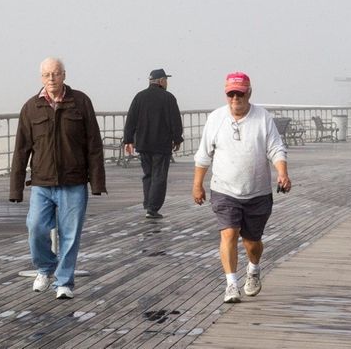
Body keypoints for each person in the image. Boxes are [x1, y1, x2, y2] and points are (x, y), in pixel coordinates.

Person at [10, 57, 106, 300]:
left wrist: (97, 183)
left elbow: (94, 143)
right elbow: (21, 150)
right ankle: (45, 268)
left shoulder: (80, 102)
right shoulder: (31, 107)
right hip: (42, 183)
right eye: (46, 75)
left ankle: (64, 282)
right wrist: (16, 188)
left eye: (55, 74)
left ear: (64, 75)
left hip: (73, 182)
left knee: (70, 235)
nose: (51, 79)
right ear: (41, 78)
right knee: (35, 227)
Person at [192, 71, 291, 303]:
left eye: (240, 94)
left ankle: (254, 270)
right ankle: (231, 284)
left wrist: (283, 173)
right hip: (224, 189)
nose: (235, 98)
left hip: (257, 192)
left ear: (249, 93)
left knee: (252, 242)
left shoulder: (263, 118)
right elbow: (204, 154)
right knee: (228, 233)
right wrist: (197, 185)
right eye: (231, 94)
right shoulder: (216, 118)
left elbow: (276, 148)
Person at [123, 68, 184, 219]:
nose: (167, 83)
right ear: (162, 81)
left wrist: (128, 140)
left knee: (148, 174)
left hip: (143, 144)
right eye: (166, 80)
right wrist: (177, 139)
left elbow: (131, 119)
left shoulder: (139, 97)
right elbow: (175, 121)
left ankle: (148, 204)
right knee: (159, 176)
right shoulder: (168, 98)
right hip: (161, 145)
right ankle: (152, 208)